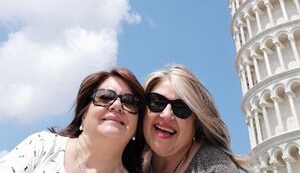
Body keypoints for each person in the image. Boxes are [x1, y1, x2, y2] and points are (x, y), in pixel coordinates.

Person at [0, 68, 146, 173]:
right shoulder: (43, 146)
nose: (117, 106)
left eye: (130, 102)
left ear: (136, 126)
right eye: (105, 97)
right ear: (83, 113)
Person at [143, 64, 249, 173]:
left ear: (197, 121)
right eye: (157, 102)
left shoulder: (216, 167)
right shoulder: (129, 158)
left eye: (181, 107)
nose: (166, 114)